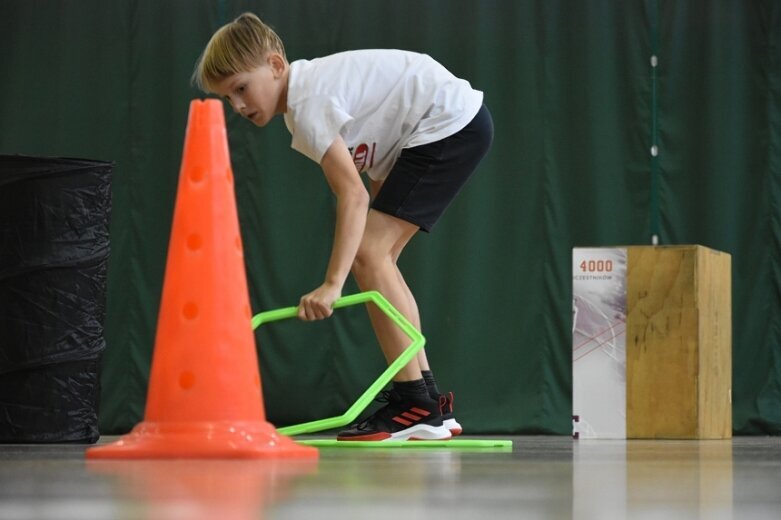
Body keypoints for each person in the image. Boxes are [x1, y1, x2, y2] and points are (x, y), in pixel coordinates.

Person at [192, 12, 493, 441]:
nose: (238, 106)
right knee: (377, 261)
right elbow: (375, 174)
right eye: (227, 98)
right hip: (447, 124)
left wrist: (332, 284)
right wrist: (368, 262)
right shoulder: (308, 102)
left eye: (241, 88)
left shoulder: (308, 102)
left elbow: (353, 196)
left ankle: (415, 403)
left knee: (369, 258)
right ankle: (428, 402)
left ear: (277, 65)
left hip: (448, 124)